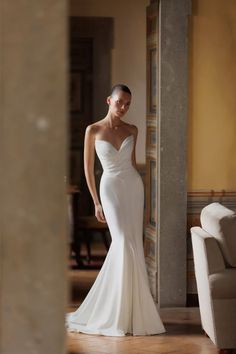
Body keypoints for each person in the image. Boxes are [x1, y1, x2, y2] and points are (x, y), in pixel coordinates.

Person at [66, 84, 165, 336]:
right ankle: (114, 311)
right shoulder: (93, 130)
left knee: (133, 242)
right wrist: (96, 201)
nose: (124, 107)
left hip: (132, 187)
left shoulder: (133, 129)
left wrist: (142, 191)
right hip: (109, 187)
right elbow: (88, 169)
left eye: (128, 104)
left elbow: (132, 164)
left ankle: (133, 313)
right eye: (120, 102)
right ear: (108, 100)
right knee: (121, 240)